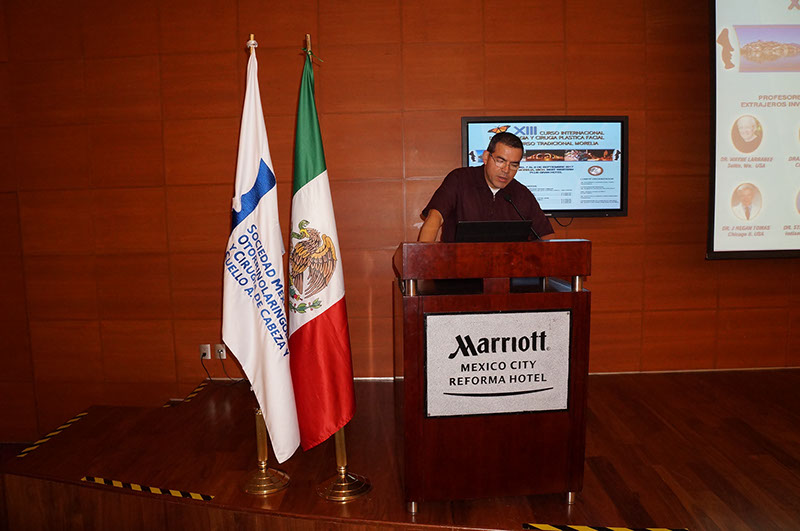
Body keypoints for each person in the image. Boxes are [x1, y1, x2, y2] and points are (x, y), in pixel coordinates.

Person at [418, 132, 554, 242]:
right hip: (459, 264)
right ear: (486, 157)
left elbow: (546, 235)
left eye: (514, 165)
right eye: (500, 161)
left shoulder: (521, 193)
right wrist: (424, 258)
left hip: (508, 266)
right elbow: (435, 217)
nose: (506, 170)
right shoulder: (460, 179)